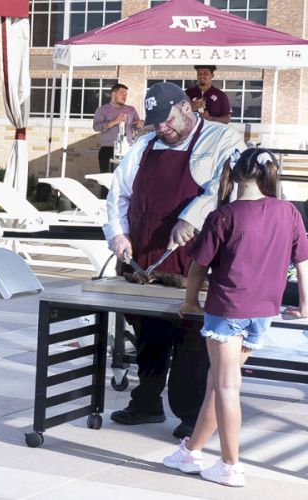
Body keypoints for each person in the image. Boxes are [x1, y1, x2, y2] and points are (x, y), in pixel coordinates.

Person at [105, 82, 246, 439]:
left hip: (195, 262)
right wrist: (118, 234)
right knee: (149, 334)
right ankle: (147, 401)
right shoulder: (145, 144)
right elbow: (118, 194)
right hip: (146, 261)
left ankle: (189, 414)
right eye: (155, 123)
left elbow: (226, 187)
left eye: (166, 121)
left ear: (186, 108)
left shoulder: (223, 139)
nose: (161, 129)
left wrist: (192, 217)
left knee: (192, 339)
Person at [166, 149, 307, 488]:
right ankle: (191, 451)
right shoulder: (289, 212)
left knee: (227, 385)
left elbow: (198, 266)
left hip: (227, 311)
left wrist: (189, 302)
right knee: (218, 382)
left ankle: (230, 464)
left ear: (235, 173)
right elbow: (303, 263)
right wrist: (304, 306)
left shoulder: (224, 216)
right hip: (263, 313)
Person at [94, 83, 143, 173]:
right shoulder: (102, 110)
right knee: (107, 182)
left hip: (127, 150)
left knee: (125, 180)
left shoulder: (131, 110)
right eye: (122, 93)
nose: (124, 96)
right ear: (113, 94)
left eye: (126, 94)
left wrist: (139, 125)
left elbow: (136, 127)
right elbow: (96, 127)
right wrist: (114, 121)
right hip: (108, 150)